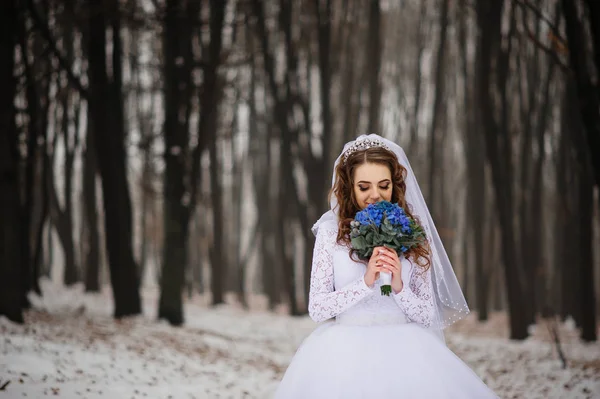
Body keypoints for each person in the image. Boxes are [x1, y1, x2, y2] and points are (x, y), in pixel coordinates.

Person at [273, 134, 498, 398]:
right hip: (343, 356)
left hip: (409, 354)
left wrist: (399, 285)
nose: (375, 195)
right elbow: (318, 308)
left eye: (384, 185)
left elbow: (427, 315)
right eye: (364, 187)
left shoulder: (413, 231)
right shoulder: (330, 233)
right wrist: (366, 282)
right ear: (349, 187)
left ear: (395, 184)